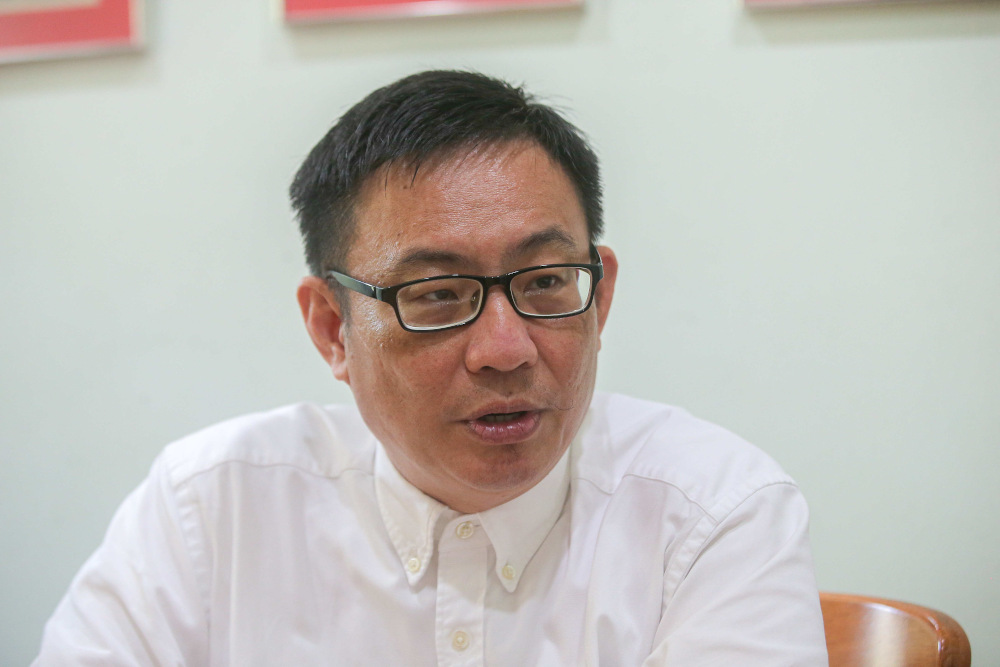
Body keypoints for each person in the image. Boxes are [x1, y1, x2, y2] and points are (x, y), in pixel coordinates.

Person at [35, 70, 828, 665]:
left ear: (601, 294)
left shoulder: (716, 515)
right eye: (439, 294)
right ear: (331, 328)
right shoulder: (210, 510)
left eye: (547, 282)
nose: (506, 348)